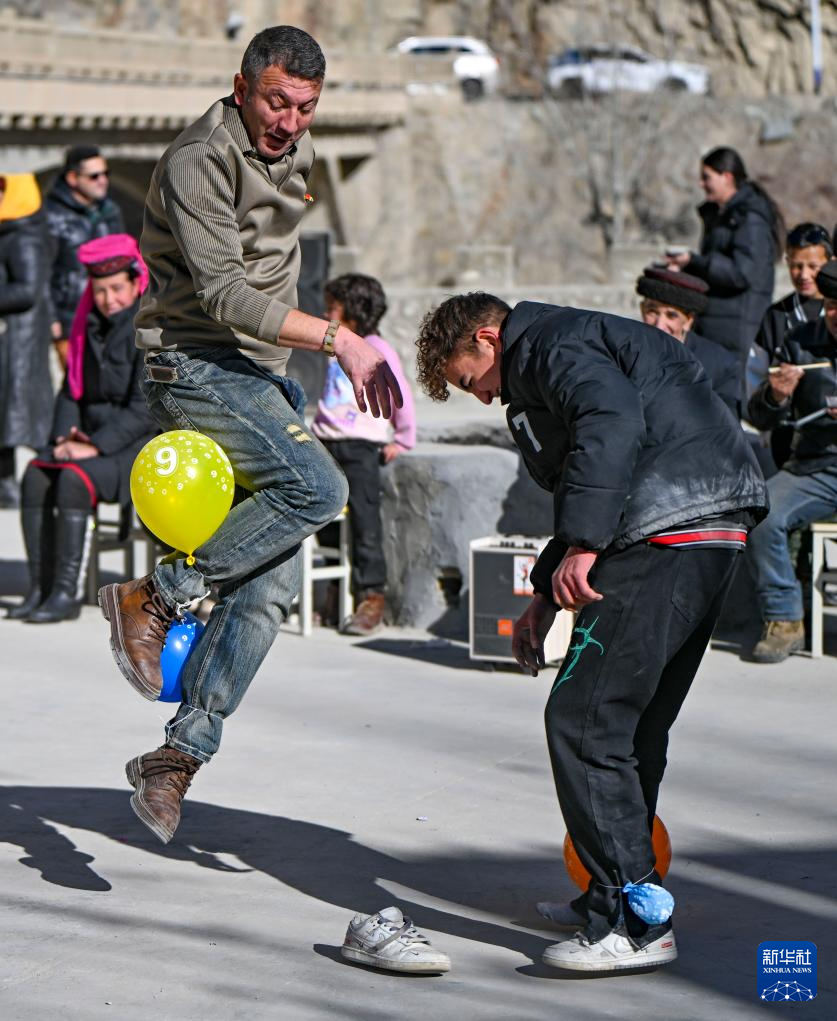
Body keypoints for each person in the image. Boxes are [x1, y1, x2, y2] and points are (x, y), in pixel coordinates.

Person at [99, 28, 402, 848]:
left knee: (268, 586)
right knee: (323, 488)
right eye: (274, 101)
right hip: (192, 362)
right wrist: (337, 338)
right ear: (241, 86)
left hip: (258, 374)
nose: (288, 120)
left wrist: (291, 365)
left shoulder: (293, 151)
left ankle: (176, 756)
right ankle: (153, 594)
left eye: (305, 107)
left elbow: (276, 271)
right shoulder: (199, 159)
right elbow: (228, 294)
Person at [414, 292, 767, 973]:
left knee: (584, 720)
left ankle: (632, 922)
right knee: (631, 728)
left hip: (665, 527)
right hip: (708, 524)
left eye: (471, 380)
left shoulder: (549, 344)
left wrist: (580, 543)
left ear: (489, 338)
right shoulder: (569, 338)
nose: (484, 398)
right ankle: (614, 899)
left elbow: (609, 423)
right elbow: (592, 465)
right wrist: (548, 591)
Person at [6, 234, 155, 623]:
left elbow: (144, 409)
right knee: (36, 474)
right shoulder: (85, 326)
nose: (109, 299)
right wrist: (63, 437)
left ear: (136, 281)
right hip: (88, 443)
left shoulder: (150, 328)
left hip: (134, 449)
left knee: (73, 479)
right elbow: (71, 390)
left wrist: (95, 446)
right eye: (100, 290)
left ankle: (66, 594)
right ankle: (41, 587)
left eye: (117, 289)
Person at [311, 274, 416, 635]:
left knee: (365, 524)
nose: (326, 313)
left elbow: (399, 393)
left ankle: (371, 596)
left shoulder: (376, 347)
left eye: (333, 308)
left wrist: (403, 437)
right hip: (326, 441)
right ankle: (333, 595)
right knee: (323, 520)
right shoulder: (336, 345)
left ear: (354, 311)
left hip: (361, 446)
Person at [745, 261, 837, 664]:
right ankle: (784, 619)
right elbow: (759, 417)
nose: (836, 315)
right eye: (832, 304)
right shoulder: (800, 342)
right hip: (817, 467)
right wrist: (775, 395)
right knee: (764, 511)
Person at [666, 146, 784, 388]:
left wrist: (694, 262)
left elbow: (742, 273)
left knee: (731, 401)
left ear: (727, 177)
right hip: (717, 323)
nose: (701, 183)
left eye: (707, 177)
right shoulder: (724, 214)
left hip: (737, 329)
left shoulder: (750, 217)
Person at [754, 223, 832, 470]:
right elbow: (755, 374)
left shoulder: (832, 315)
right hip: (786, 432)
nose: (804, 275)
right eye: (796, 265)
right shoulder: (776, 316)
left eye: (813, 266)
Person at [0, 173, 54, 509]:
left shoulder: (23, 237)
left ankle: (19, 486)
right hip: (13, 336)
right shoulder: (13, 232)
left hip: (18, 339)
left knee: (16, 413)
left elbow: (27, 290)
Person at [45, 145, 124, 368]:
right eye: (94, 176)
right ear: (72, 178)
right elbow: (43, 274)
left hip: (109, 315)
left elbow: (124, 262)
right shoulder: (51, 216)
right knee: (76, 386)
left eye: (105, 174)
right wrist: (52, 319)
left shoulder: (110, 212)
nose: (102, 180)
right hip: (70, 321)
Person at [635, 266, 740, 417]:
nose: (659, 325)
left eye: (671, 316)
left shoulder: (721, 366)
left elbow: (726, 431)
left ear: (688, 321)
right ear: (642, 309)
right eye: (652, 312)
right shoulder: (622, 353)